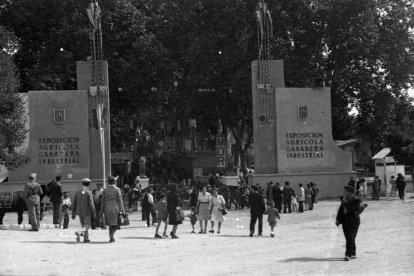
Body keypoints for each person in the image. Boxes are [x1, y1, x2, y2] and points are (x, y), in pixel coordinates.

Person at [335, 186, 367, 261]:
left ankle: (348, 254)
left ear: (350, 192)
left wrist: (344, 201)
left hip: (353, 221)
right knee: (349, 238)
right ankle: (353, 253)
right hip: (345, 221)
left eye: (346, 191)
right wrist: (338, 219)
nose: (344, 193)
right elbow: (341, 210)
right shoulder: (345, 199)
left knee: (350, 237)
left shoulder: (356, 200)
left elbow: (351, 209)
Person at [100, 176, 124, 243]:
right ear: (114, 181)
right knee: (116, 223)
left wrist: (101, 209)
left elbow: (102, 200)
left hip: (107, 206)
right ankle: (112, 235)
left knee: (110, 223)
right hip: (115, 205)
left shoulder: (105, 189)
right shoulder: (117, 189)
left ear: (108, 181)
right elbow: (119, 199)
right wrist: (122, 209)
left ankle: (111, 236)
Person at [72, 178, 96, 243]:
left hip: (79, 212)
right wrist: (94, 212)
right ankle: (79, 232)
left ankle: (86, 239)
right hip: (87, 212)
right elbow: (91, 203)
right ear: (89, 184)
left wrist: (73, 213)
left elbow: (74, 203)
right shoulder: (89, 192)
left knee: (84, 225)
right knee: (88, 225)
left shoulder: (78, 192)